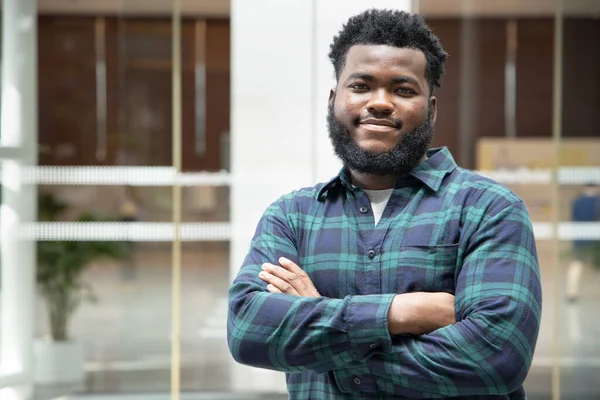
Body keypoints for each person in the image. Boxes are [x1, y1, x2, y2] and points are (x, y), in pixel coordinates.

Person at [227, 9, 542, 399]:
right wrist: (401, 313)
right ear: (333, 100)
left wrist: (321, 328)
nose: (379, 103)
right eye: (361, 86)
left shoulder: (488, 209)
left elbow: (496, 358)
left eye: (403, 90)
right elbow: (247, 331)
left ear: (431, 108)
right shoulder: (292, 216)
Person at [566, 183, 600, 302]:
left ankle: (572, 292)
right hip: (596, 240)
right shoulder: (597, 202)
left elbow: (573, 219)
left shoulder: (577, 201)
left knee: (577, 263)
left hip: (580, 237)